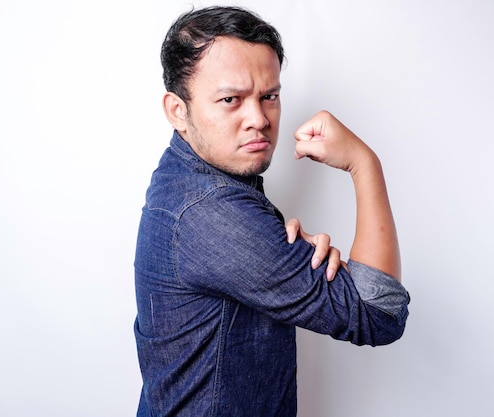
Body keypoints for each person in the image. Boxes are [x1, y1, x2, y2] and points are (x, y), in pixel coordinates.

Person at [133, 6, 410, 417]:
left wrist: (274, 244)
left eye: (270, 96)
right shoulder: (211, 212)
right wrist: (363, 163)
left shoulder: (189, 178)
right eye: (231, 100)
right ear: (178, 111)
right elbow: (379, 313)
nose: (259, 120)